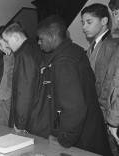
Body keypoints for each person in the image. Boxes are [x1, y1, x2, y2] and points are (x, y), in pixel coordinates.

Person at [36, 15, 111, 155]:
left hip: (81, 139)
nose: (39, 43)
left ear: (52, 37)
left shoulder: (63, 62)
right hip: (91, 129)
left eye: (41, 38)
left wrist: (64, 139)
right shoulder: (75, 50)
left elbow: (74, 108)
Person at [82, 3, 119, 155]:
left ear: (104, 21)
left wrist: (107, 118)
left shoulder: (112, 45)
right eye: (82, 23)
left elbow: (109, 84)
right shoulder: (93, 46)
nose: (84, 27)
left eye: (89, 22)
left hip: (105, 115)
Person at [1, 23, 42, 130]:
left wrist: (20, 122)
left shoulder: (24, 55)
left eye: (7, 41)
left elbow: (24, 91)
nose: (7, 45)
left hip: (27, 119)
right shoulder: (33, 47)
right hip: (35, 114)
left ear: (16, 37)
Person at [0, 26, 15, 126]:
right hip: (3, 104)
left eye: (0, 44)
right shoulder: (7, 57)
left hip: (10, 106)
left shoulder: (18, 57)